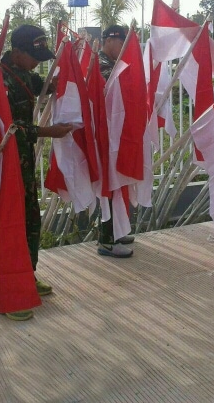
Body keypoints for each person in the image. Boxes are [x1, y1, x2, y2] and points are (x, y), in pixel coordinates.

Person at [0, 24, 73, 320]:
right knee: (10, 225)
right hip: (5, 163)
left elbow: (40, 84)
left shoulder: (24, 74)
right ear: (16, 52)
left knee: (30, 219)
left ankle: (26, 275)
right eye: (33, 57)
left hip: (24, 162)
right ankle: (7, 292)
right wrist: (47, 131)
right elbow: (5, 129)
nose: (36, 63)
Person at [96, 25, 134, 258]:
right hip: (105, 134)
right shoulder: (102, 65)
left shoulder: (111, 63)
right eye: (122, 43)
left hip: (114, 133)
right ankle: (106, 241)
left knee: (117, 183)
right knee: (108, 186)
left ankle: (116, 231)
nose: (123, 49)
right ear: (110, 40)